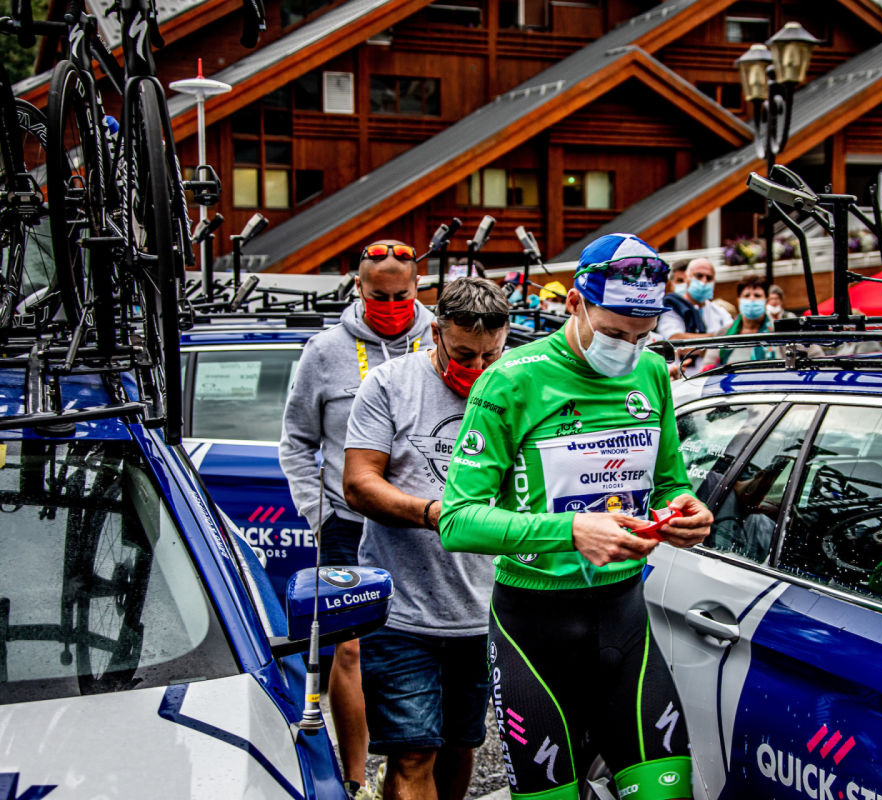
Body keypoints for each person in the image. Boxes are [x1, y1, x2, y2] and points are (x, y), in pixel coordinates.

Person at [439, 233, 714, 800]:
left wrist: (686, 511)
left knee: (667, 794)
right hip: (532, 627)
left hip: (624, 616)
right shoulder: (511, 379)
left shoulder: (651, 372)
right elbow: (458, 520)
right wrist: (571, 530)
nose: (628, 350)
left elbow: (669, 483)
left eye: (642, 335)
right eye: (613, 333)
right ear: (574, 304)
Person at [342, 277, 508, 800]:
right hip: (402, 611)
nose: (477, 367)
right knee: (414, 752)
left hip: (483, 610)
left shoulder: (515, 384)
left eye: (490, 355)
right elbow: (358, 483)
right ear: (436, 333)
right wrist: (436, 514)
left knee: (461, 745)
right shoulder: (390, 383)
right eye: (464, 354)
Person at [280, 239, 433, 800]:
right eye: (378, 296)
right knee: (350, 646)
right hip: (347, 520)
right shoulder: (324, 351)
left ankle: (413, 762)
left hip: (422, 520)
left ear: (417, 287)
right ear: (357, 288)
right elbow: (296, 441)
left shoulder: (441, 340)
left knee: (423, 640)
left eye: (400, 295)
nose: (390, 305)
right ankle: (354, 776)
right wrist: (316, 514)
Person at [658, 257, 733, 374]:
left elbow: (731, 340)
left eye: (709, 278)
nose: (704, 281)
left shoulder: (721, 313)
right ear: (687, 278)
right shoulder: (671, 307)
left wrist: (698, 345)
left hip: (715, 377)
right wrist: (717, 337)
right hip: (681, 377)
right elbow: (676, 342)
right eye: (699, 276)